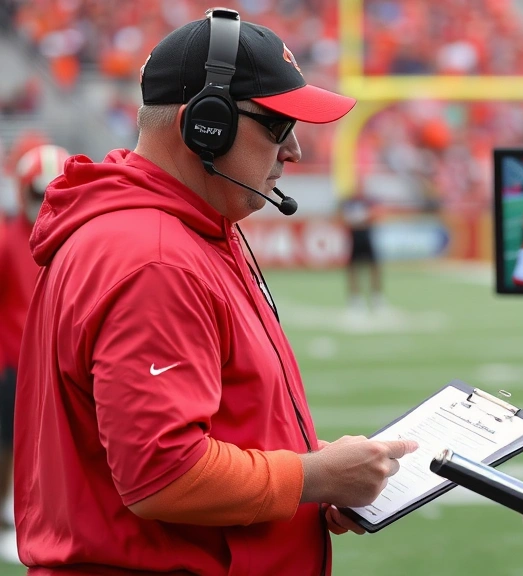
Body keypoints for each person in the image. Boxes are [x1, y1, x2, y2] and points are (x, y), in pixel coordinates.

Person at [14, 9, 418, 575]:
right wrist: (314, 476)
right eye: (277, 126)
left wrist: (312, 472)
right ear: (207, 125)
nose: (295, 150)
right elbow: (164, 474)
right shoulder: (154, 256)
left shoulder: (174, 234)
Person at [0, 142, 70, 528]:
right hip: (14, 361)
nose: (44, 200)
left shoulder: (72, 241)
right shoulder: (8, 240)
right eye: (37, 192)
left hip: (56, 360)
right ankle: (8, 512)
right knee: (11, 442)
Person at [340, 188, 385, 310]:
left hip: (367, 236)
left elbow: (375, 215)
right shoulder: (348, 202)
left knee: (374, 267)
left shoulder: (368, 201)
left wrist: (362, 220)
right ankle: (355, 299)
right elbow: (344, 218)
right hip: (355, 237)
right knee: (353, 269)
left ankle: (377, 298)